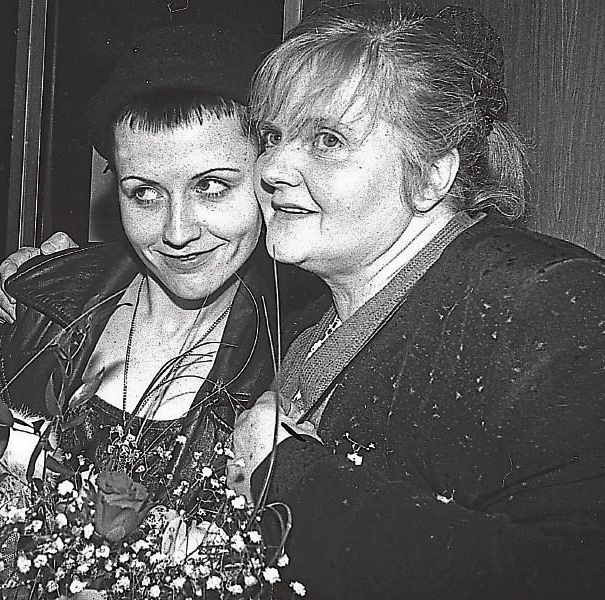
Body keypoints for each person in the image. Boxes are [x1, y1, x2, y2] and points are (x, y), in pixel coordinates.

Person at [230, 3, 605, 599]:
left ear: (431, 176)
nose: (272, 167)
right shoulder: (308, 324)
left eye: (327, 140)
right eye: (273, 137)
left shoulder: (549, 299)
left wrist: (287, 477)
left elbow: (572, 577)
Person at [0, 24, 318, 493]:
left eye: (212, 186)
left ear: (268, 176)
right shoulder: (45, 305)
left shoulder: (303, 345)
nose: (177, 233)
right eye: (145, 193)